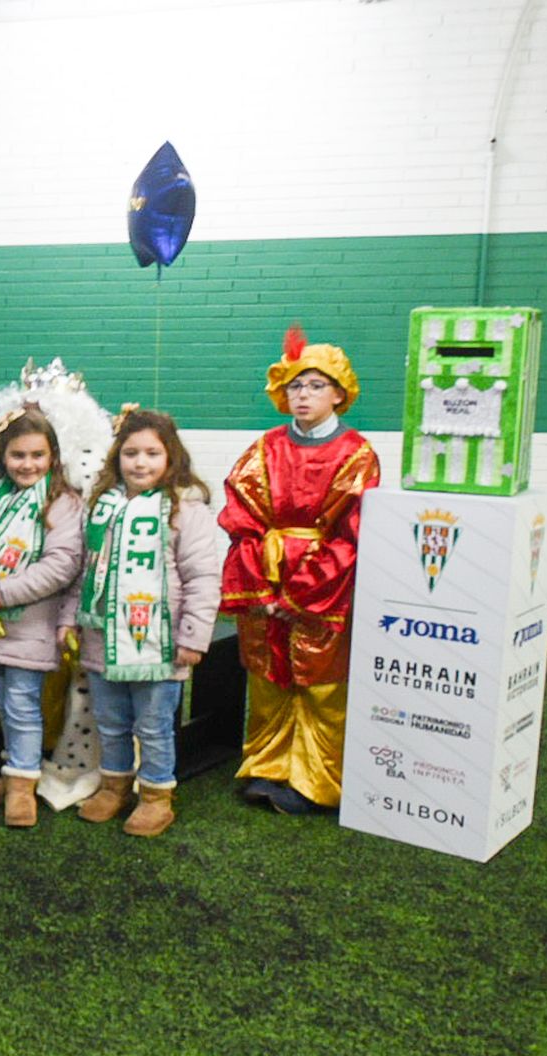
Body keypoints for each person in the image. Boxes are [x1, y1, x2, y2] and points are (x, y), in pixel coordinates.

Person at [219, 325, 379, 815]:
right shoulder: (264, 449)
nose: (303, 395)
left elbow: (350, 536)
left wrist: (300, 595)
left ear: (339, 393)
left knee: (321, 686)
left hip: (323, 593)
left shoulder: (357, 455)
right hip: (266, 586)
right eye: (294, 386)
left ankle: (316, 782)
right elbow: (242, 520)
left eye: (314, 386)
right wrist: (260, 587)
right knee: (268, 680)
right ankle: (266, 769)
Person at [65, 409, 222, 837]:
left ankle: (156, 796)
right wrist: (70, 620)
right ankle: (114, 786)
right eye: (131, 453)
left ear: (172, 457)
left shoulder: (185, 511)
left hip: (160, 645)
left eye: (153, 453)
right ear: (117, 458)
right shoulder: (102, 508)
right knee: (111, 721)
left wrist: (194, 637)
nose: (141, 463)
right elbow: (84, 571)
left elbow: (204, 579)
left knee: (153, 726)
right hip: (102, 642)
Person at [0, 405, 84, 828]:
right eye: (18, 455)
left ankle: (24, 786)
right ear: (2, 457)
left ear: (52, 457)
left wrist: (1, 593)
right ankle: (16, 772)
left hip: (32, 626)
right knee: (7, 704)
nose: (27, 464)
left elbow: (62, 565)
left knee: (23, 705)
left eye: (37, 456)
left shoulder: (63, 503)